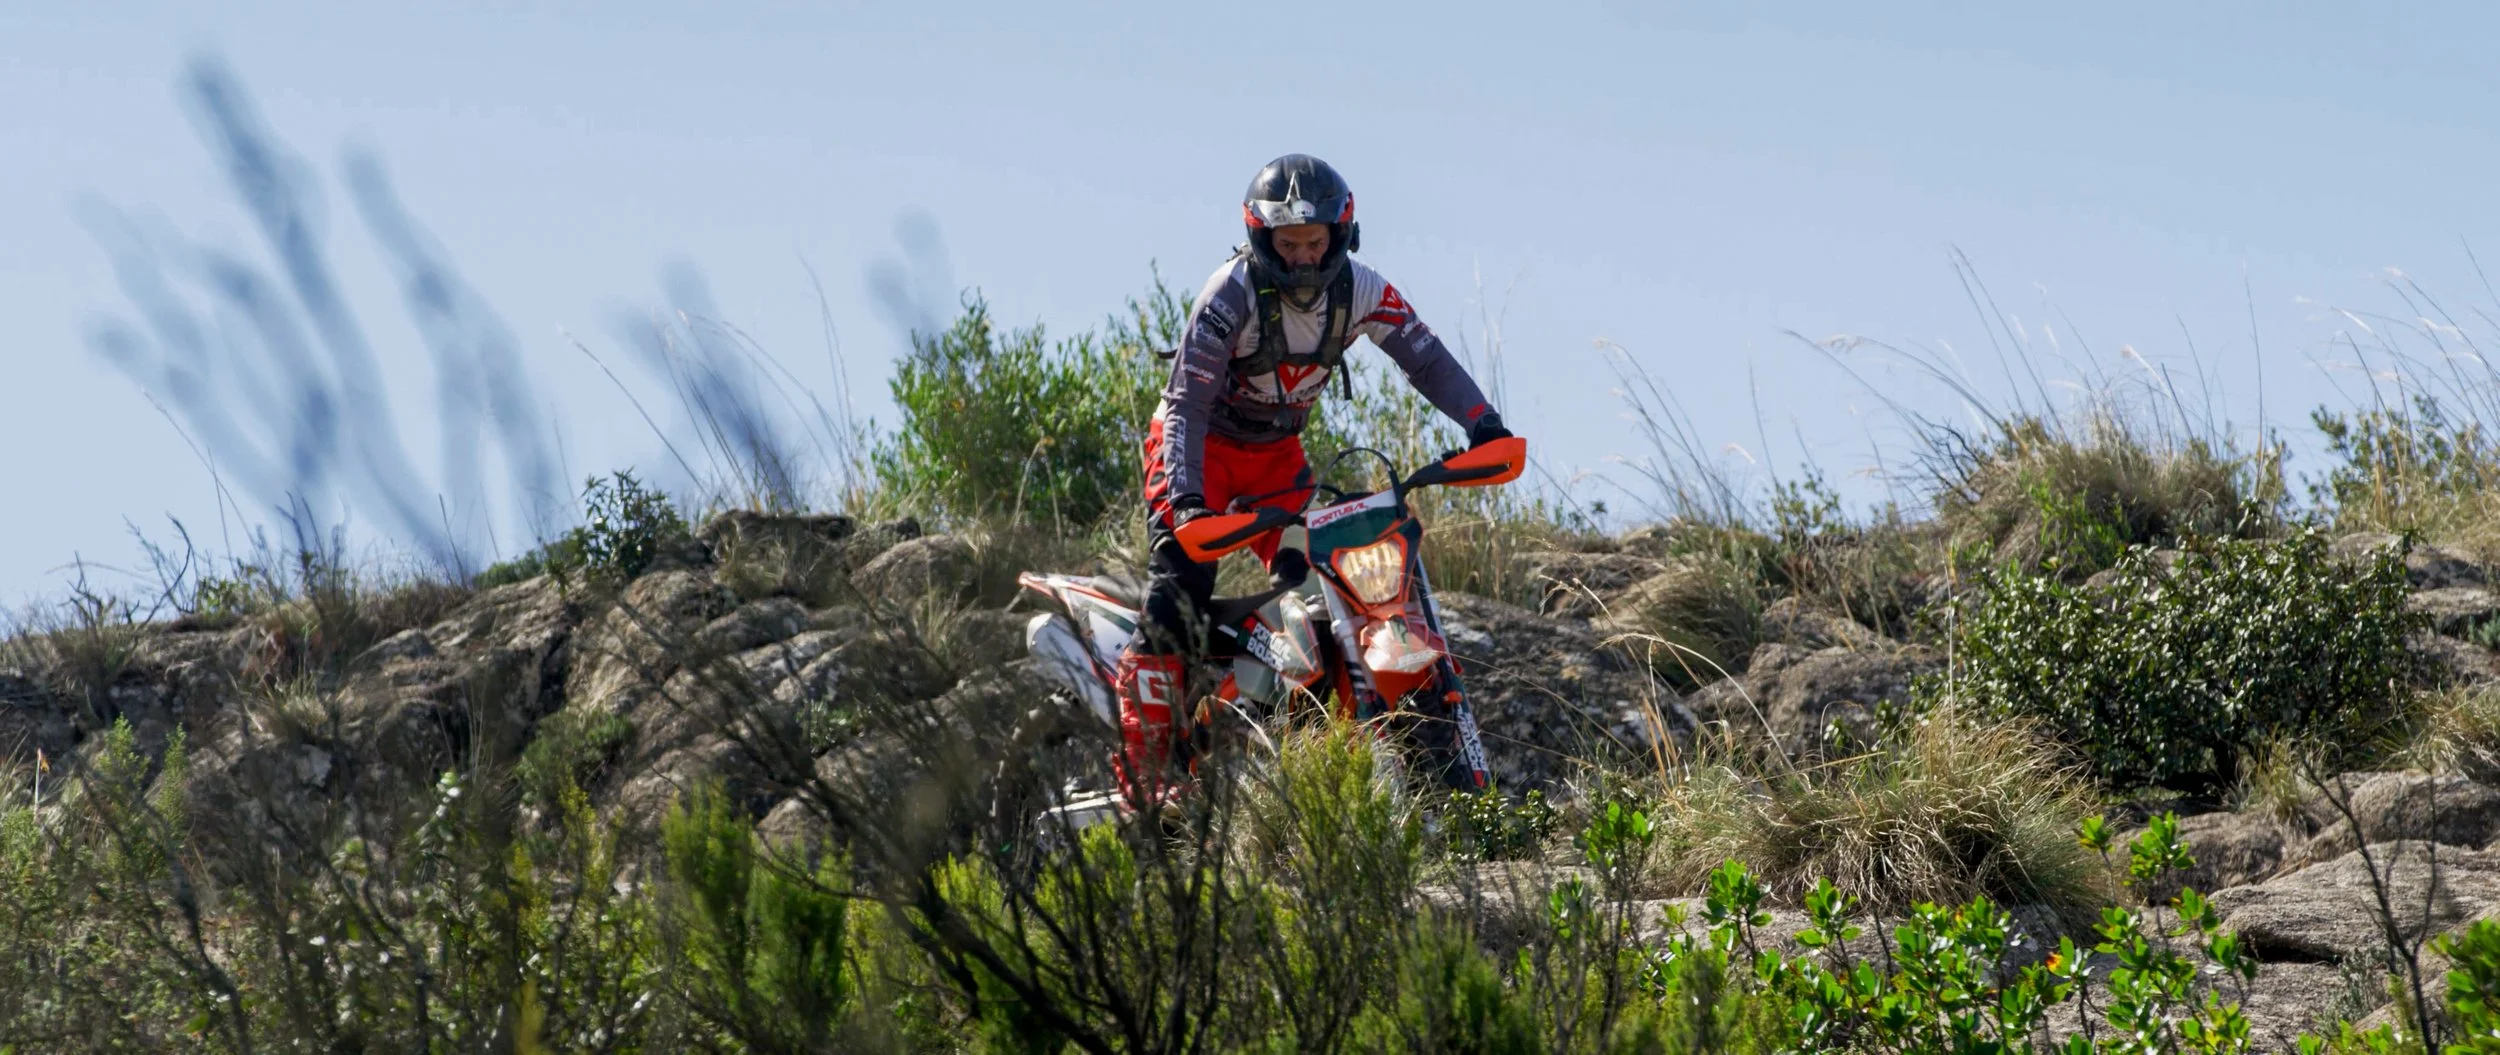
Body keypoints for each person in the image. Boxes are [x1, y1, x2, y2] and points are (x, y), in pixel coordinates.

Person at [1114, 153, 1515, 801]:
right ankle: (1148, 773)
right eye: (1288, 242)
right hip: (1194, 453)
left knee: (1325, 595)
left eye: (1314, 241)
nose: (1302, 256)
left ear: (1340, 235)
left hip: (1277, 461)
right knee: (1178, 588)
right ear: (1261, 238)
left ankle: (1299, 736)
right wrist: (1186, 501)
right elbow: (1187, 401)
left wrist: (1484, 425)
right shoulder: (1230, 293)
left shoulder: (1364, 290)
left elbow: (1427, 358)